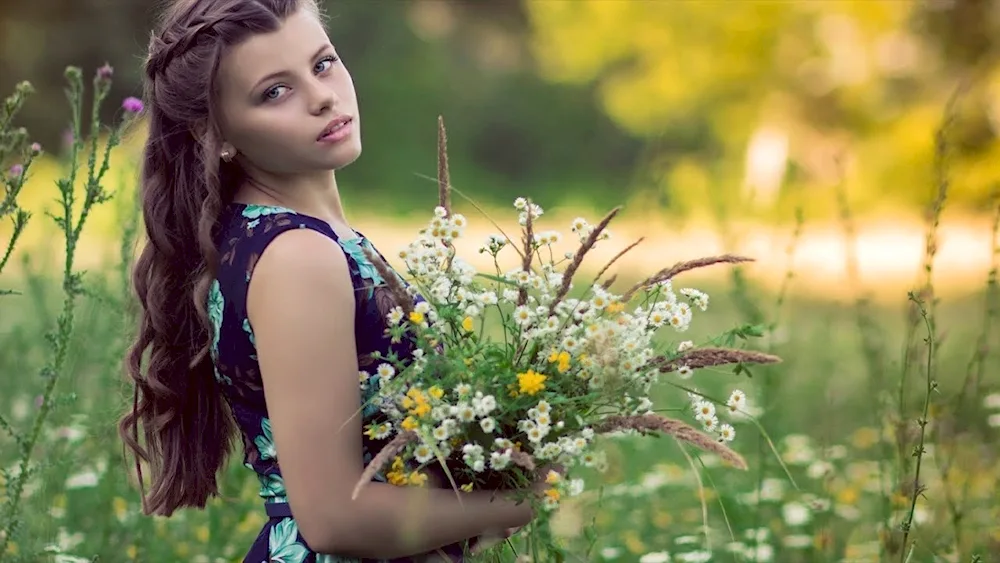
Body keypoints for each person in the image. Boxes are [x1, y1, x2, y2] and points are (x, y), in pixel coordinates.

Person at [117, 0, 537, 560]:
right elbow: (335, 517)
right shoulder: (298, 257)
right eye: (275, 91)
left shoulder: (278, 237)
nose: (322, 97)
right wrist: (527, 498)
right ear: (216, 135)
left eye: (322, 64)